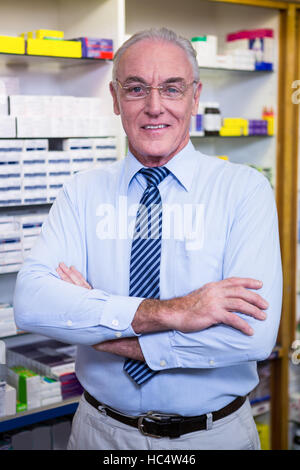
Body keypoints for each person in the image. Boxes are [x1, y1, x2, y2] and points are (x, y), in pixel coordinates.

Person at [13, 27, 282, 451]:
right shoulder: (81, 191)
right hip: (99, 434)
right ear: (115, 98)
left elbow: (252, 336)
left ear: (195, 96)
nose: (154, 107)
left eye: (171, 89)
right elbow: (30, 304)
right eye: (136, 88)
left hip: (212, 437)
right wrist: (179, 312)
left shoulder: (244, 190)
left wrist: (99, 332)